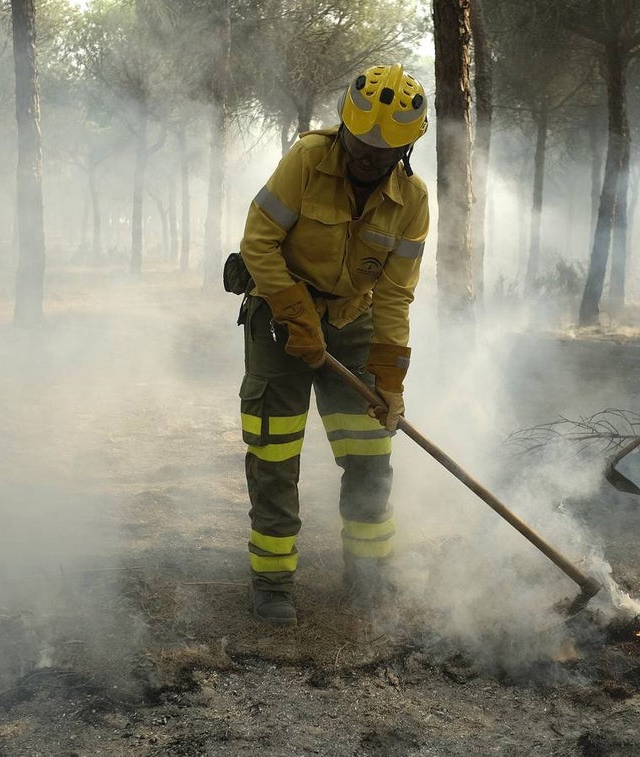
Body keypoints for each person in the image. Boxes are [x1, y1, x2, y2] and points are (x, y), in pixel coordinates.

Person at [234, 64, 430, 627]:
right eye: (361, 144)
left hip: (354, 321)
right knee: (275, 453)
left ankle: (368, 576)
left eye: (382, 151)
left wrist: (390, 381)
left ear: (406, 148)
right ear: (345, 127)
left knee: (370, 455)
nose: (367, 159)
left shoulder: (413, 201)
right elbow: (258, 243)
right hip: (279, 315)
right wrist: (296, 315)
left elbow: (395, 297)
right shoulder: (305, 160)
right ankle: (272, 583)